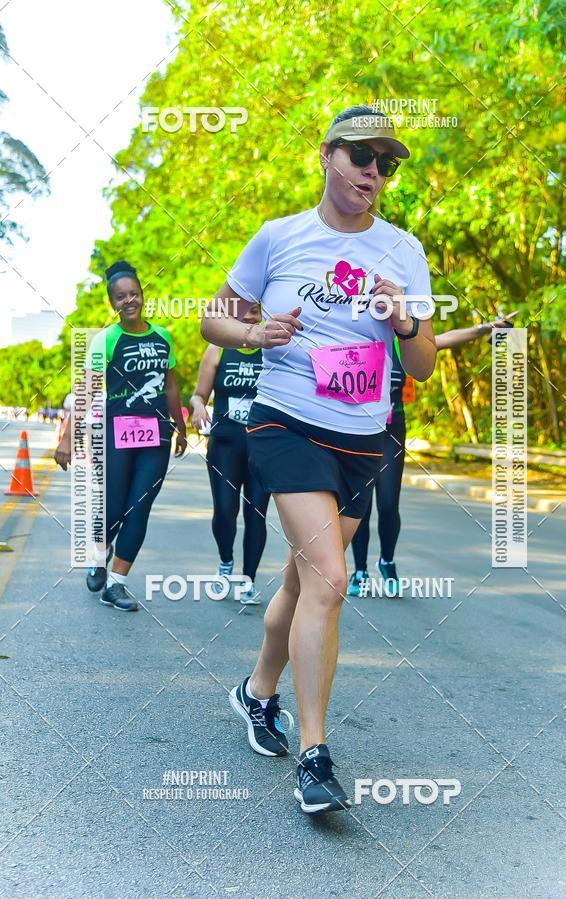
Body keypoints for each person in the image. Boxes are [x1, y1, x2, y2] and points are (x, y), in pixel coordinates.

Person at [201, 105, 436, 814]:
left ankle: (255, 692)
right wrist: (253, 331)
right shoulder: (279, 238)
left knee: (304, 584)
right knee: (332, 578)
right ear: (328, 154)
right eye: (363, 156)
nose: (374, 172)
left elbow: (421, 363)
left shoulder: (404, 250)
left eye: (387, 164)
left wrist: (405, 322)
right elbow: (213, 317)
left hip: (362, 440)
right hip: (287, 424)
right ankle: (314, 755)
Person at [348, 313, 518, 596]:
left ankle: (387, 562)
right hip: (357, 430)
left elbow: (443, 340)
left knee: (388, 504)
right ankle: (360, 571)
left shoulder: (405, 344)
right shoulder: (357, 341)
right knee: (361, 506)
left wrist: (487, 328)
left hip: (391, 431)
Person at [54, 260, 186, 611]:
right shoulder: (106, 340)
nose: (129, 301)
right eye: (121, 297)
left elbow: (170, 385)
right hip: (118, 435)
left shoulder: (163, 338)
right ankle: (100, 555)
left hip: (156, 435)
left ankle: (117, 583)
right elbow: (84, 390)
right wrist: (67, 438)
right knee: (114, 506)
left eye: (134, 294)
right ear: (113, 302)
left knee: (140, 507)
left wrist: (181, 426)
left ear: (143, 295)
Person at [191, 302, 268, 606]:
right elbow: (199, 394)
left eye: (255, 311)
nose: (249, 316)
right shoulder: (217, 348)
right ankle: (226, 564)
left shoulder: (273, 350)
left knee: (256, 513)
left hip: (262, 446)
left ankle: (248, 580)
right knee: (225, 510)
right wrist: (198, 407)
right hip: (225, 444)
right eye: (243, 311)